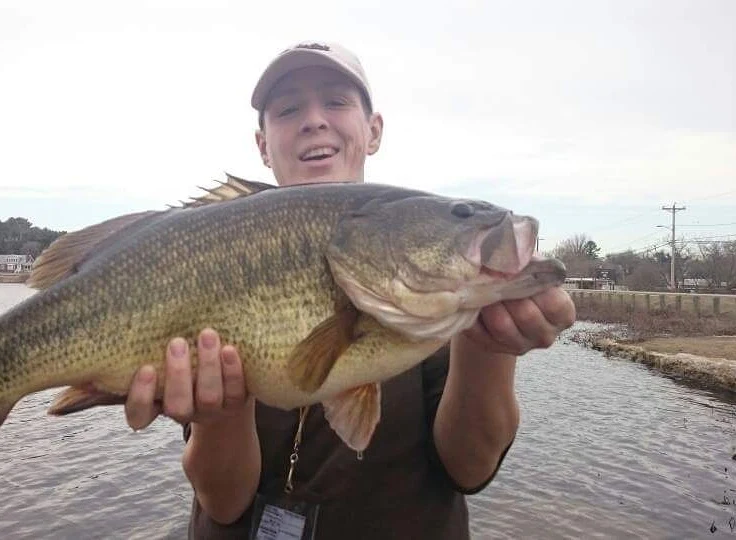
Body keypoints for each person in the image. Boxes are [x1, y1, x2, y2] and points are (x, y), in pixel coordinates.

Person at [123, 41, 576, 539]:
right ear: (262, 145)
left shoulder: (437, 308)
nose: (314, 120)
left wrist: (488, 347)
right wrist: (222, 418)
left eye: (336, 101)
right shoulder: (218, 257)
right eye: (289, 108)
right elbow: (224, 503)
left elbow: (470, 466)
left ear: (373, 130)